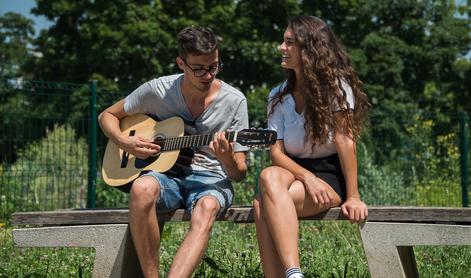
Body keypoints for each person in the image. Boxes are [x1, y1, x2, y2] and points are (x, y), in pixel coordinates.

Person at [98, 26, 249, 278]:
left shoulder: (235, 101)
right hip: (166, 176)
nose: (208, 75)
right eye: (198, 68)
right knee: (141, 188)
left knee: (207, 207)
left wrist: (227, 159)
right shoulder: (158, 90)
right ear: (181, 63)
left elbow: (240, 173)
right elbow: (107, 115)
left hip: (211, 178)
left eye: (214, 66)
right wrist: (125, 142)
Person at [253, 15, 369, 278]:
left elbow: (345, 141)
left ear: (310, 48)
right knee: (268, 175)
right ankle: (294, 273)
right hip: (293, 171)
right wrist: (307, 177)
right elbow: (275, 153)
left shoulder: (337, 87)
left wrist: (353, 196)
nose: (281, 48)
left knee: (262, 205)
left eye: (289, 42)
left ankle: (287, 275)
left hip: (329, 173)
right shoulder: (277, 95)